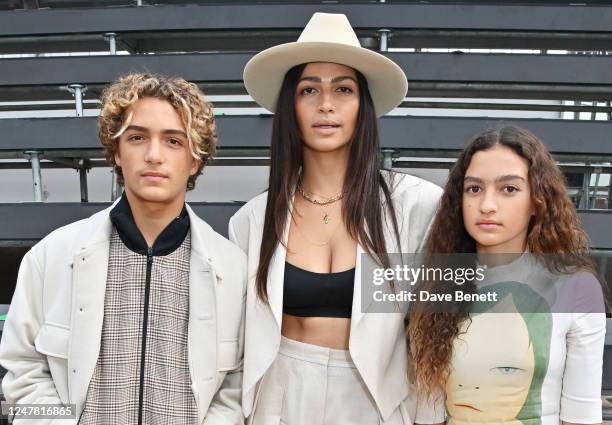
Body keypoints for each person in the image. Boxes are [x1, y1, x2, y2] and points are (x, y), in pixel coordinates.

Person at [229, 12, 444, 425]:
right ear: (290, 104)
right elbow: (239, 340)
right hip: (280, 394)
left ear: (363, 104)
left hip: (374, 399)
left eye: (343, 89)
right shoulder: (252, 221)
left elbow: (432, 333)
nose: (326, 104)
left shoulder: (415, 206)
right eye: (309, 89)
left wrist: (429, 417)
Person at [0, 73, 246, 425]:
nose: (154, 155)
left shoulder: (233, 269)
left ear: (195, 160)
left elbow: (235, 388)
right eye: (137, 138)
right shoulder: (50, 256)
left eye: (174, 141)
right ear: (116, 152)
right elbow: (21, 372)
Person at [408, 125, 607, 425]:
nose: (487, 205)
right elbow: (428, 416)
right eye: (474, 189)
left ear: (537, 201)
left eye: (509, 189)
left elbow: (581, 415)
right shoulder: (436, 284)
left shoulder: (576, 287)